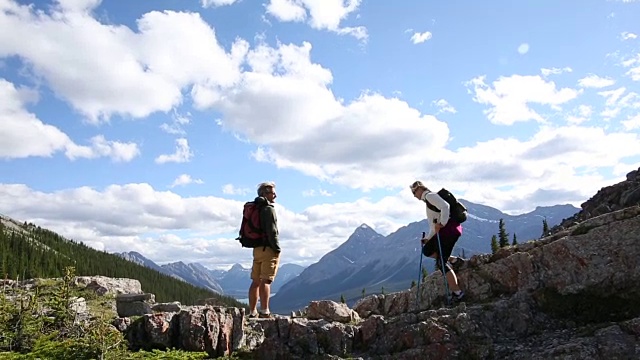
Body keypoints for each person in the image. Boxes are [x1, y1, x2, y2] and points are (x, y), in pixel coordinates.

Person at [410, 180, 465, 301]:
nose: (414, 195)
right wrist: (428, 239)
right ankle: (454, 260)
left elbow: (446, 206)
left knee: (441, 262)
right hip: (448, 231)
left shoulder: (430, 196)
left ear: (419, 189)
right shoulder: (429, 200)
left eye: (414, 192)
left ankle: (457, 292)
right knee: (427, 250)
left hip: (448, 231)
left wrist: (442, 223)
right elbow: (433, 224)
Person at [248, 181, 281, 318]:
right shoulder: (269, 209)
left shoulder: (254, 208)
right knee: (266, 280)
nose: (275, 195)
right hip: (268, 248)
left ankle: (252, 311)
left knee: (255, 281)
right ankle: (265, 310)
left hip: (256, 248)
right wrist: (277, 248)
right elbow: (272, 231)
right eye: (273, 193)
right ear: (265, 194)